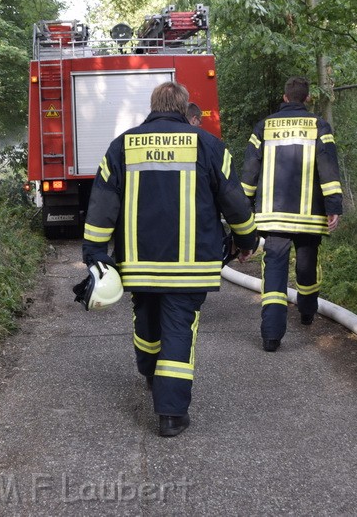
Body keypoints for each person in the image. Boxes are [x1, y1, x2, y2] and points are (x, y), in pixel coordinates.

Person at [82, 81, 257, 438]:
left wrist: (95, 254)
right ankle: (171, 415)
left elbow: (102, 205)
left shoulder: (123, 146)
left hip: (139, 264)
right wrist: (246, 239)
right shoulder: (209, 146)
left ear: (152, 105)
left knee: (146, 321)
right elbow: (235, 203)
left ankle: (150, 374)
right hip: (190, 267)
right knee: (179, 329)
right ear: (184, 108)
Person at [240, 76, 342, 352]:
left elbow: (250, 170)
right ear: (307, 98)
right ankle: (307, 313)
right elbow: (329, 168)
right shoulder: (319, 126)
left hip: (273, 218)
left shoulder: (264, 127)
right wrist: (334, 206)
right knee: (307, 268)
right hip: (309, 217)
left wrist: (243, 207)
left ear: (285, 98)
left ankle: (271, 337)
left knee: (273, 273)